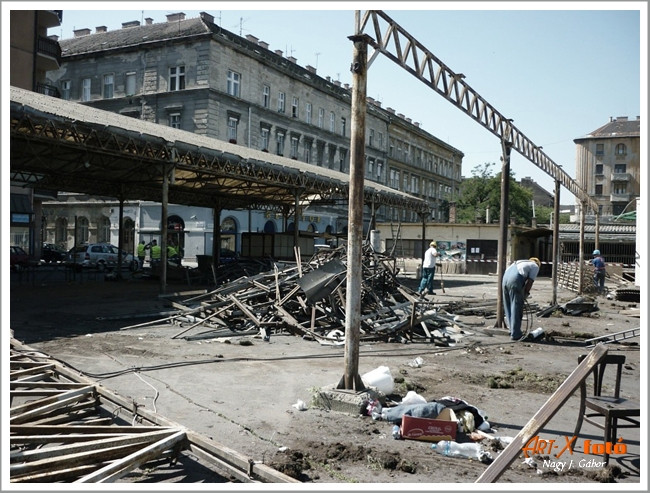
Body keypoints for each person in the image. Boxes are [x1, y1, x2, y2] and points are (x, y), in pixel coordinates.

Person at [502, 257, 541, 341]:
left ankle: (511, 330)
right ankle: (516, 334)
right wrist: (525, 294)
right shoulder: (535, 266)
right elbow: (530, 282)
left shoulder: (518, 262)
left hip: (505, 279)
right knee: (516, 307)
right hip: (514, 279)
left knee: (508, 306)